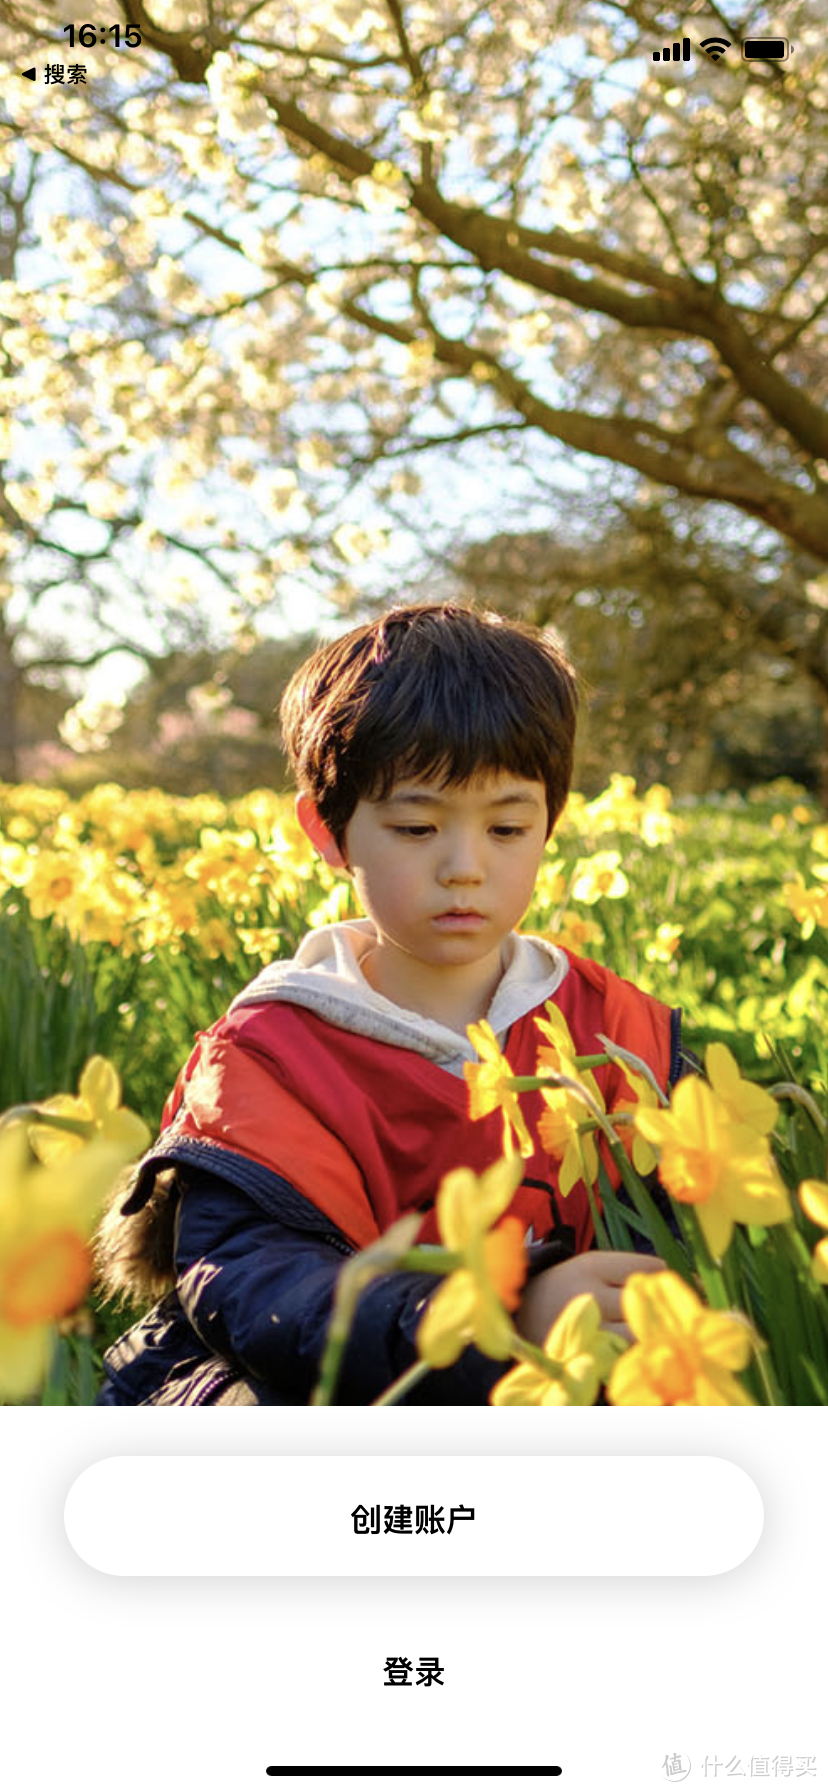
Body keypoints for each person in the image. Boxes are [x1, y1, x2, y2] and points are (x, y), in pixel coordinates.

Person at [96, 602, 691, 1406]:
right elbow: (256, 1289)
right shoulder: (268, 1059)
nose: (464, 867)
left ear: (551, 821)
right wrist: (506, 1323)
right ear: (328, 832)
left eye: (508, 828)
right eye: (416, 827)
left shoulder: (618, 1032)